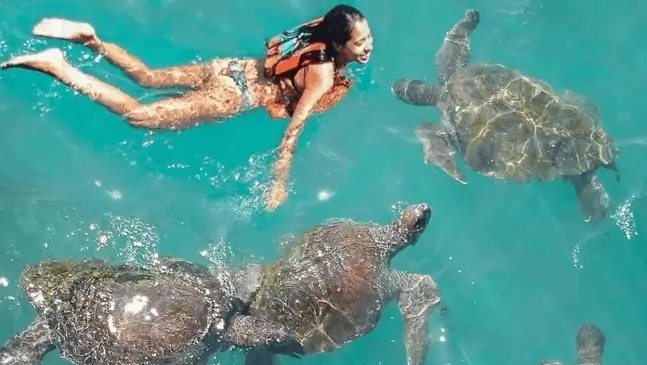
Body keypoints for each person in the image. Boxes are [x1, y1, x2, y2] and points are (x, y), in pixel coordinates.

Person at [0, 5, 373, 211]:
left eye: (368, 37)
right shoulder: (322, 77)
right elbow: (295, 127)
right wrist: (278, 182)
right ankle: (57, 65)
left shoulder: (320, 28)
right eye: (359, 42)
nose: (367, 46)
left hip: (230, 67)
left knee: (147, 77)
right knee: (138, 116)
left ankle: (91, 40)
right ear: (337, 44)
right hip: (232, 96)